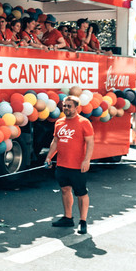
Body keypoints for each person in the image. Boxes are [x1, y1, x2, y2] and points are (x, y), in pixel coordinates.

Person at [45, 95, 94, 235]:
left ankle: (83, 222)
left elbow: (90, 142)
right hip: (62, 164)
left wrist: (87, 160)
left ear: (76, 108)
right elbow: (55, 142)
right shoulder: (59, 122)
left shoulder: (84, 122)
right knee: (65, 190)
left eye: (69, 106)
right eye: (64, 105)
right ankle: (68, 218)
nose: (65, 108)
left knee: (81, 193)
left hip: (78, 166)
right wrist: (49, 157)